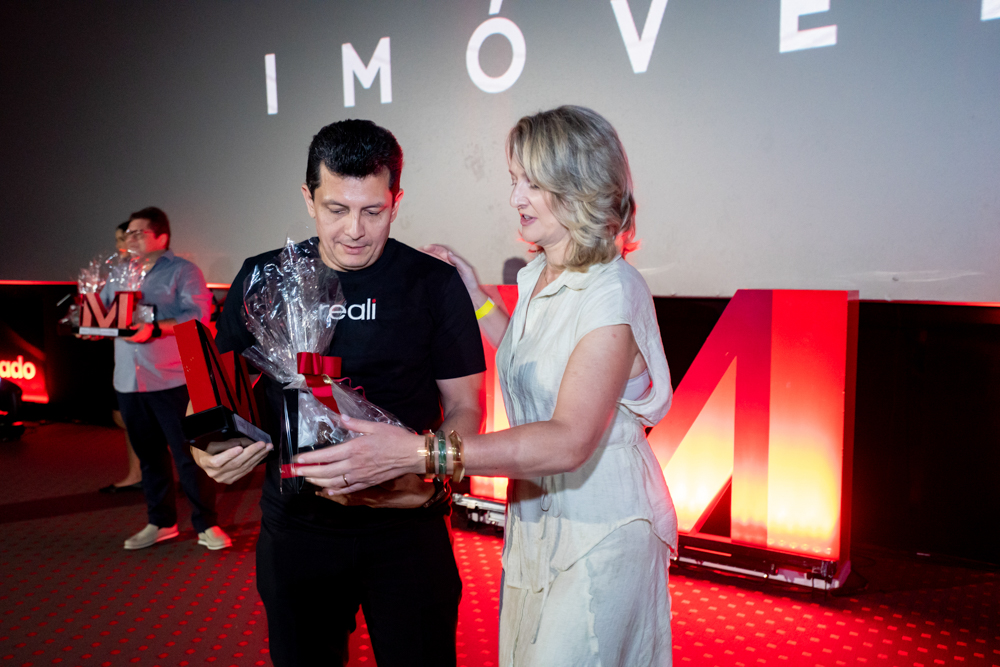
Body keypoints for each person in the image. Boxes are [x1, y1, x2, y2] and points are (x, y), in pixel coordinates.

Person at [296, 106, 678, 666]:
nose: (516, 197)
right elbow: (532, 354)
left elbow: (569, 440)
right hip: (539, 514)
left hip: (601, 526)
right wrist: (475, 294)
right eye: (515, 180)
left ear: (580, 188)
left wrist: (420, 453)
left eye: (533, 184)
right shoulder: (541, 271)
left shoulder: (612, 292)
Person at [193, 119, 486, 667]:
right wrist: (209, 448)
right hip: (297, 527)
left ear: (396, 201)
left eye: (373, 211)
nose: (354, 230)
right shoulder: (263, 279)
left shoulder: (432, 282)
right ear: (308, 198)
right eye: (336, 209)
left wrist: (427, 471)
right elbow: (214, 396)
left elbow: (467, 406)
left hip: (407, 523)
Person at [107, 207, 230, 550]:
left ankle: (207, 524)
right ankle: (161, 522)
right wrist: (87, 323)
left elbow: (198, 316)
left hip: (172, 378)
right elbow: (104, 310)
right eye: (128, 233)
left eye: (138, 233)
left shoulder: (182, 270)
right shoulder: (119, 271)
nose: (130, 239)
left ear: (161, 236)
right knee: (149, 456)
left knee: (189, 456)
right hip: (128, 379)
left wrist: (154, 327)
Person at [100, 220, 143, 493]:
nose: (119, 246)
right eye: (117, 239)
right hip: (125, 358)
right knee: (126, 419)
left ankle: (186, 480)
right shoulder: (117, 272)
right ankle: (136, 474)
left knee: (168, 425)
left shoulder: (161, 270)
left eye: (123, 238)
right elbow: (102, 308)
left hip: (159, 363)